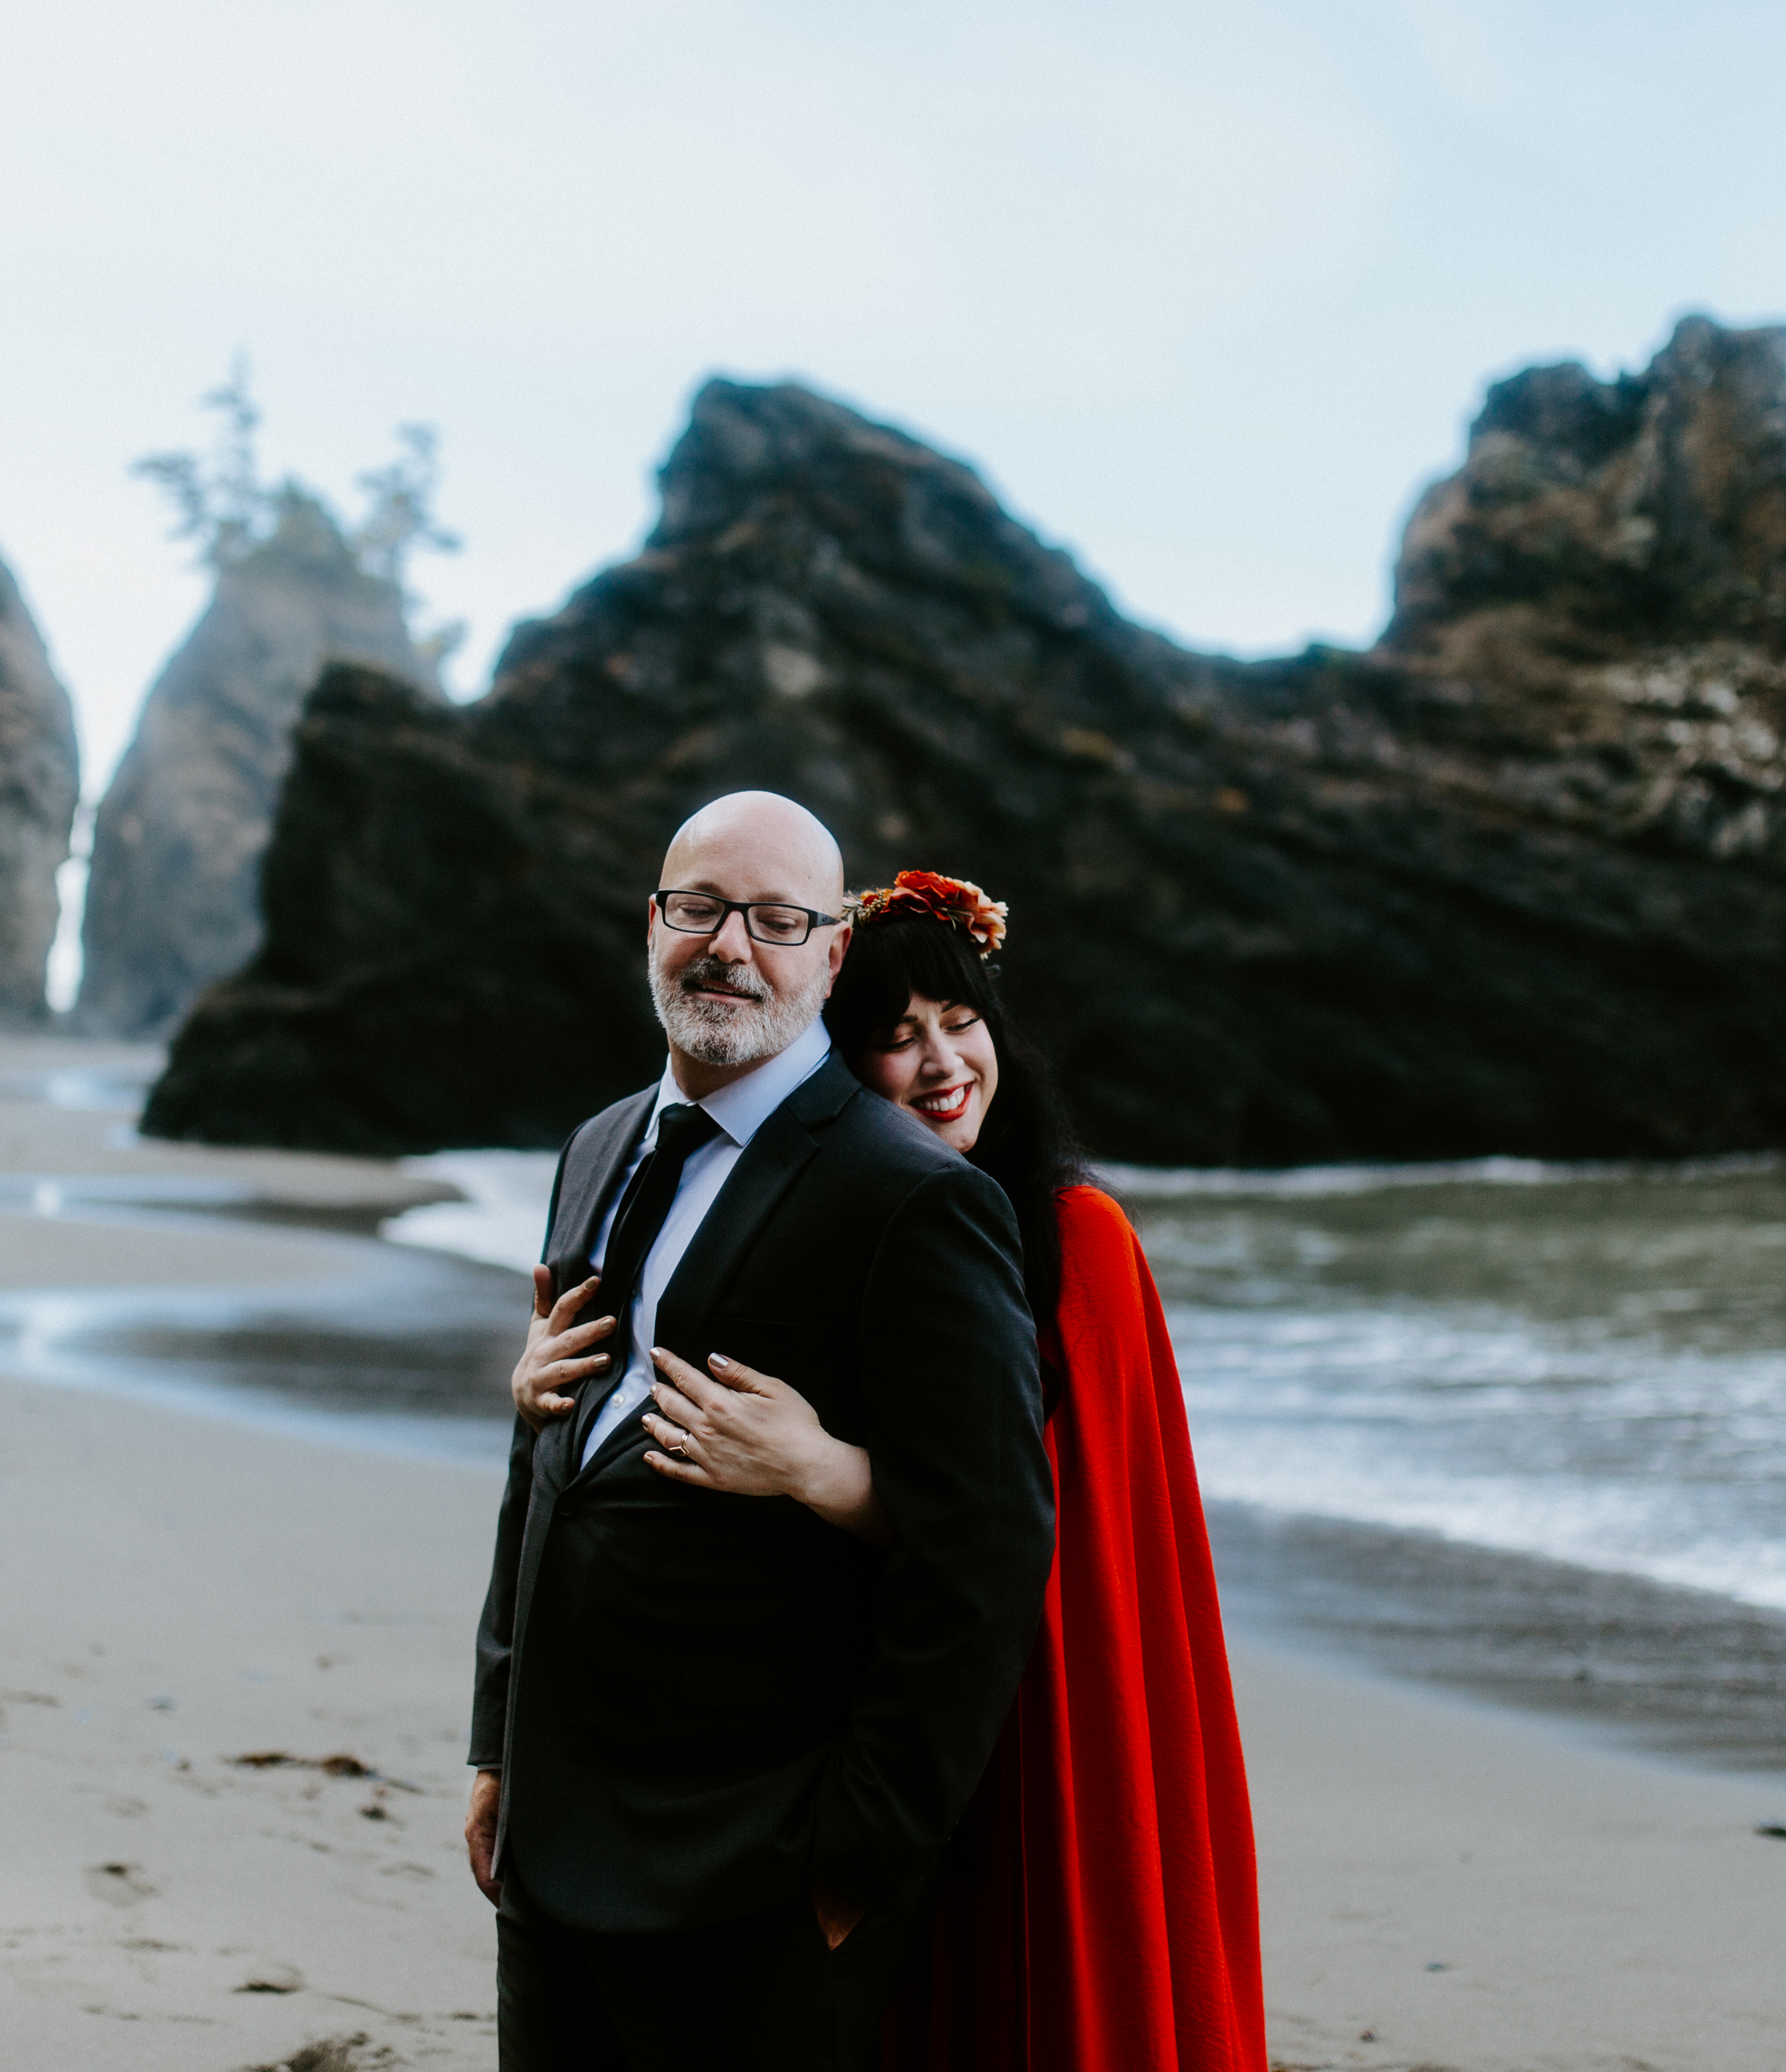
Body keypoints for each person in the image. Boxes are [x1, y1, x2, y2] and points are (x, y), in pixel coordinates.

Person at [513, 870, 1270, 2071]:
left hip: (1037, 1704)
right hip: (847, 1715)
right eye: (893, 1037)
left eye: (962, 1024)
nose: (941, 1064)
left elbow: (1052, 1524)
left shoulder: (1078, 1238)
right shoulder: (836, 1201)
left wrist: (825, 1472)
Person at [467, 801, 1055, 2072]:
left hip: (760, 1875)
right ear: (654, 924)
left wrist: (864, 1856)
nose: (730, 946)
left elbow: (988, 1551)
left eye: (777, 921)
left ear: (830, 955)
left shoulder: (915, 1199)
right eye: (699, 908)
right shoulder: (600, 1146)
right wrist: (495, 1743)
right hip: (555, 1838)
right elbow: (548, 1458)